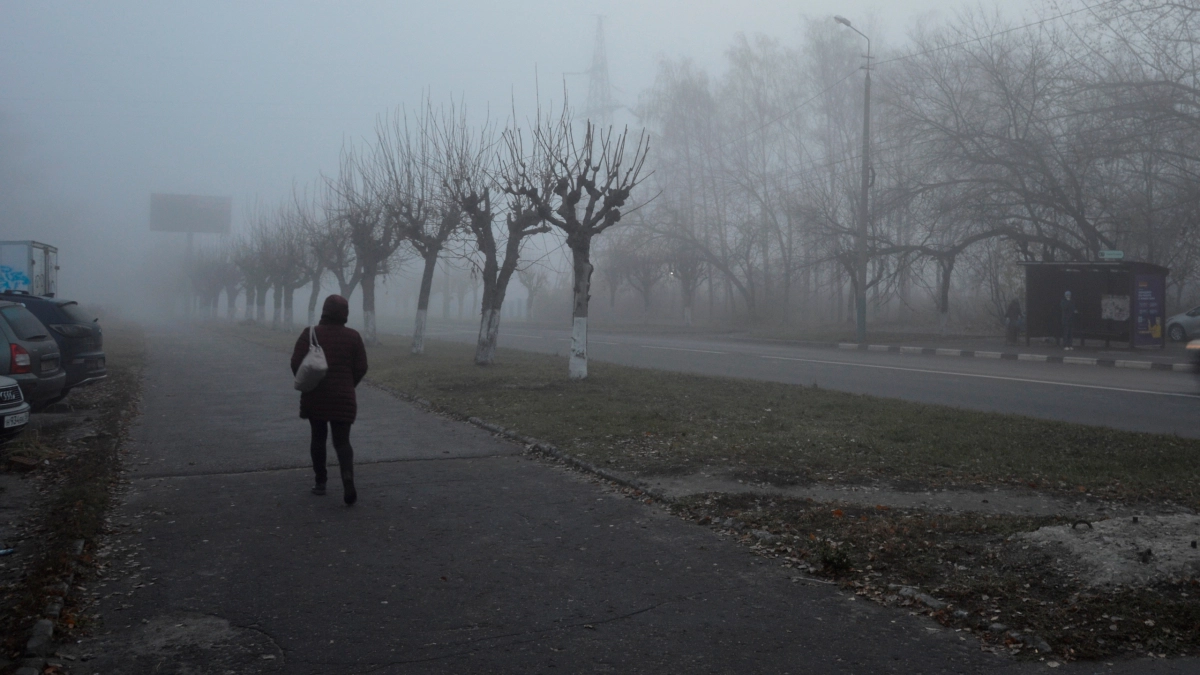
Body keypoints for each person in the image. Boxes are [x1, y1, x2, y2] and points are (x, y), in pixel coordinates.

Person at [290, 295, 368, 504]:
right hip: (343, 397)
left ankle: (320, 482)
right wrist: (348, 384)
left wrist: (309, 381)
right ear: (345, 313)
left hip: (315, 395)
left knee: (318, 438)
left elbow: (296, 362)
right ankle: (347, 478)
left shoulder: (310, 333)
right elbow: (362, 367)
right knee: (342, 442)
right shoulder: (353, 337)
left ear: (324, 311)